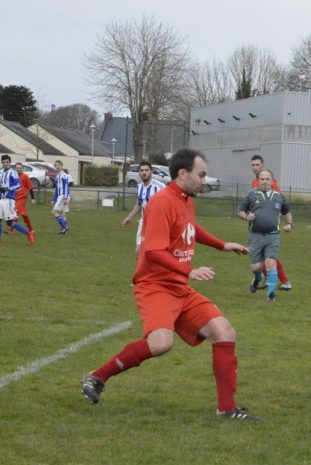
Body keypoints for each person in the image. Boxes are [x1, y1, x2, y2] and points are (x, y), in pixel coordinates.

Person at [81, 149, 261, 422]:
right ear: (183, 174)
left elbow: (190, 228)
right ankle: (98, 377)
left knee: (224, 332)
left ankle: (226, 409)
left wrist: (221, 245)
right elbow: (153, 251)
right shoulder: (161, 202)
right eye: (201, 175)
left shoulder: (185, 199)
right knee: (161, 343)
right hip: (155, 286)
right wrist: (189, 271)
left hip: (178, 286)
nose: (204, 180)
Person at [238, 168, 293, 302]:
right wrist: (247, 216)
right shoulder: (251, 195)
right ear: (258, 181)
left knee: (271, 263)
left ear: (272, 181)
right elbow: (240, 211)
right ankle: (257, 277)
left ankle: (270, 295)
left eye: (267, 179)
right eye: (262, 179)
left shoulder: (279, 196)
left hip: (273, 236)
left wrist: (289, 224)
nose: (264, 181)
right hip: (255, 236)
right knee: (256, 267)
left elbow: (286, 211)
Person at [250, 154, 292, 291]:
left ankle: (283, 281)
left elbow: (278, 201)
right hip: (257, 224)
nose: (255, 167)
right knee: (265, 257)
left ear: (262, 165)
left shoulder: (271, 183)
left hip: (271, 225)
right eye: (253, 165)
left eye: (258, 164)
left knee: (269, 257)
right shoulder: (254, 182)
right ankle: (272, 280)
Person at [121, 161, 166, 257]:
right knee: (138, 251)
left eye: (146, 170)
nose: (144, 172)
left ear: (151, 171)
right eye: (141, 170)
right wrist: (129, 217)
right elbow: (139, 204)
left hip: (157, 223)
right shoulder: (140, 187)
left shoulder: (160, 186)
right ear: (139, 172)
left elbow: (169, 202)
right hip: (144, 222)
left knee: (154, 252)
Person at [0, 155, 34, 244]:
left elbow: (18, 185)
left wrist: (7, 188)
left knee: (9, 222)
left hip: (9, 200)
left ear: (10, 162)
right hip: (1, 199)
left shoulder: (13, 172)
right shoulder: (0, 172)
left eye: (7, 162)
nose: (5, 164)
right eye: (3, 162)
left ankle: (28, 233)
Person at [14, 162, 35, 234]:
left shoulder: (25, 176)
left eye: (20, 168)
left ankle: (10, 230)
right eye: (17, 168)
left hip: (22, 198)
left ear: (22, 169)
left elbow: (30, 187)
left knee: (15, 212)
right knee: (23, 214)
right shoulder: (13, 176)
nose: (18, 169)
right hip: (15, 198)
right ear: (15, 168)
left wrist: (32, 198)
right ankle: (31, 229)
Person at [52, 159, 70, 234]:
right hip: (61, 196)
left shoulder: (64, 175)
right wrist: (54, 199)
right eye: (56, 165)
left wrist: (65, 197)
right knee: (63, 213)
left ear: (62, 166)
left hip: (63, 196)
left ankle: (64, 227)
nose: (57, 167)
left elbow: (66, 186)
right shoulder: (57, 176)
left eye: (59, 165)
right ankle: (65, 229)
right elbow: (57, 189)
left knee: (54, 212)